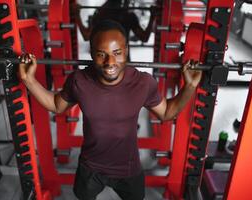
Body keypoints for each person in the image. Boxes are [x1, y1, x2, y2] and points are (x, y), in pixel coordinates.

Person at [19, 20, 202, 200]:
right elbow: (57, 105)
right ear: (91, 53)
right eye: (101, 54)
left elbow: (167, 112)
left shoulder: (143, 83)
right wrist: (29, 80)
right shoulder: (79, 81)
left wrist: (190, 86)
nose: (110, 62)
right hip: (90, 166)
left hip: (127, 167)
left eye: (117, 53)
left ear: (126, 51)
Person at [75, 0, 156, 43]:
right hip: (123, 63)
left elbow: (86, 36)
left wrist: (77, 14)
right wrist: (152, 16)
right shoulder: (128, 16)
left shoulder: (101, 13)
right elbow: (144, 38)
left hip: (105, 63)